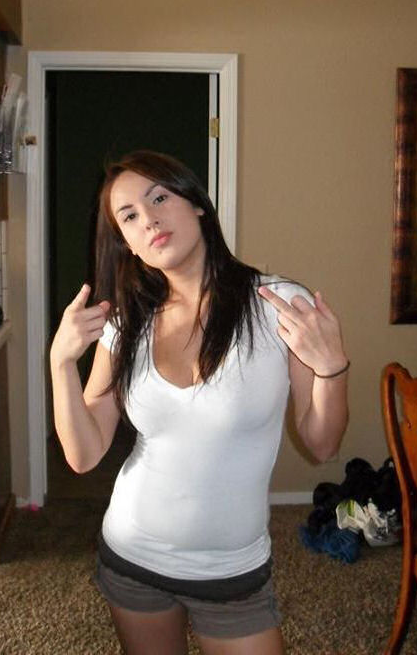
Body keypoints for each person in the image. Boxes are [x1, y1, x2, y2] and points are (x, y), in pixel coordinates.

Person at [50, 151, 349, 655]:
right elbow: (83, 456)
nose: (149, 220)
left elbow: (322, 444)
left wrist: (332, 368)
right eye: (129, 216)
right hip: (132, 556)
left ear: (196, 204)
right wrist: (60, 362)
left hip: (232, 572)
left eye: (159, 198)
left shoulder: (276, 305)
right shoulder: (126, 322)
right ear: (126, 243)